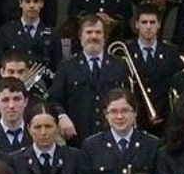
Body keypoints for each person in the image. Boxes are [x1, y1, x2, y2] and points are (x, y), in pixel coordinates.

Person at [49, 14, 129, 144]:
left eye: (98, 32)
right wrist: (62, 117)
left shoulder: (119, 65)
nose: (93, 36)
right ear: (80, 37)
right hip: (77, 139)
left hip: (111, 138)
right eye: (89, 32)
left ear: (105, 37)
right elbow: (54, 99)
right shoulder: (67, 66)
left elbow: (127, 99)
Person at [127, 3, 184, 135]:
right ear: (136, 25)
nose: (148, 27)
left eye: (152, 22)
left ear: (158, 25)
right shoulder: (126, 51)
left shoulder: (172, 52)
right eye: (144, 22)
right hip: (136, 118)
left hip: (165, 118)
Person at [0, 0, 62, 75]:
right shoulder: (7, 31)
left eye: (36, 1)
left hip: (44, 84)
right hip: (15, 84)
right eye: (27, 1)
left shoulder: (52, 34)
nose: (32, 5)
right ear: (20, 3)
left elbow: (58, 66)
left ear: (42, 4)